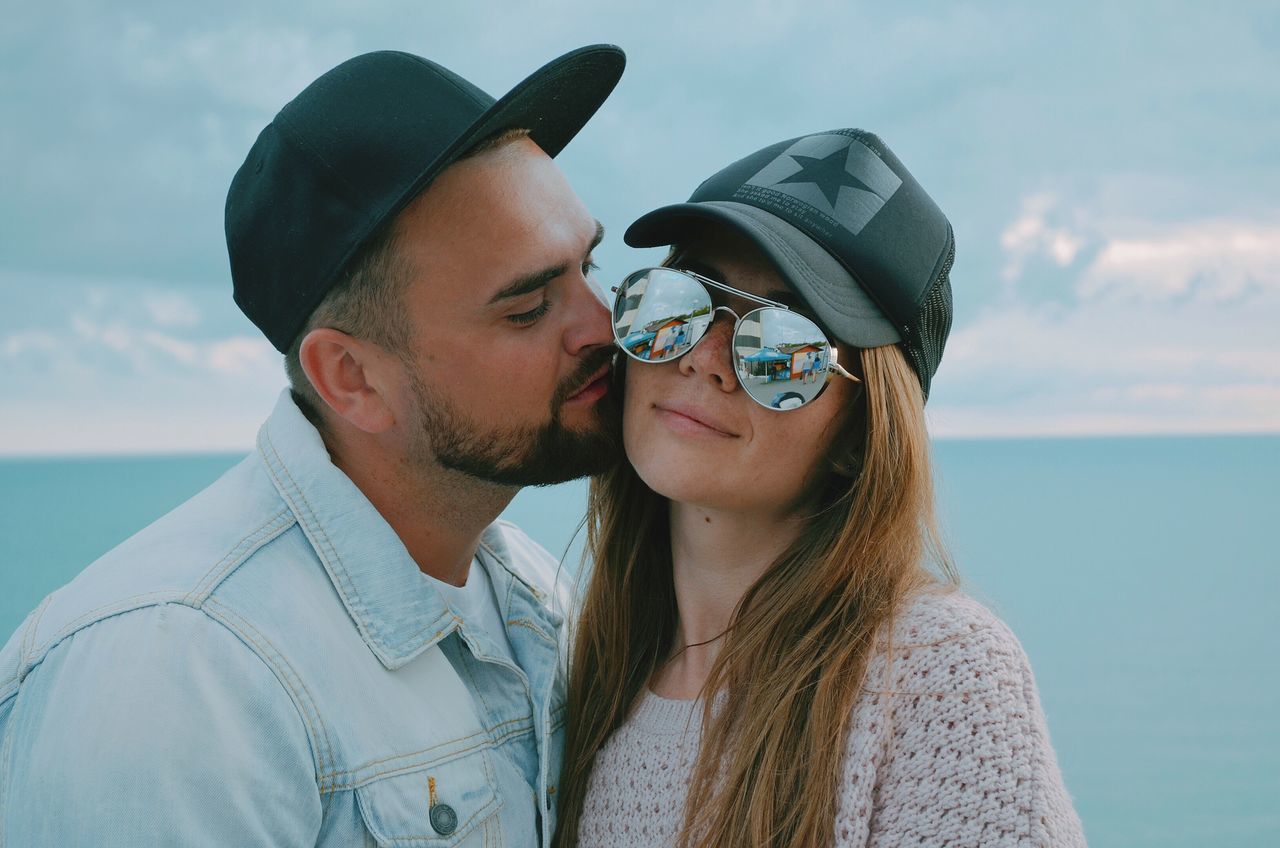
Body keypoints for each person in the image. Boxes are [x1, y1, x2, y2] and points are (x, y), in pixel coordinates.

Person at [0, 46, 625, 845]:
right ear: (352, 378)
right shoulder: (176, 679)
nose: (604, 325)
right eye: (529, 307)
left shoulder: (530, 597)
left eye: (589, 265)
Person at [555, 129, 1086, 847]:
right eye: (679, 304)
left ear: (859, 436)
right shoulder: (583, 677)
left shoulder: (935, 678)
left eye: (782, 348)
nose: (707, 358)